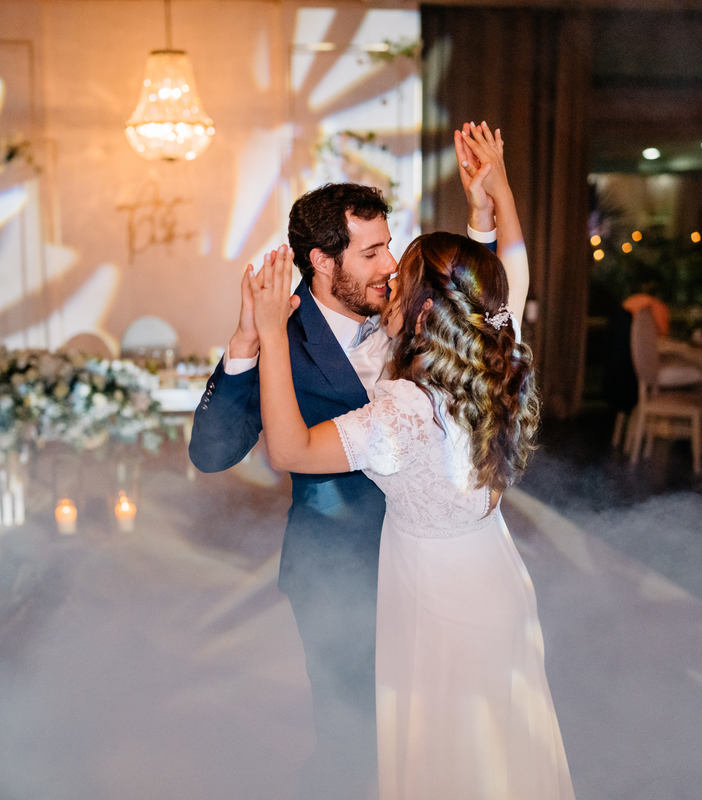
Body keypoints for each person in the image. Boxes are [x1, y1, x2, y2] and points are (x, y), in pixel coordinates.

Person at [248, 126, 573, 799]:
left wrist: (271, 333)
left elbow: (288, 450)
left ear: (423, 314)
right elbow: (510, 276)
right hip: (490, 572)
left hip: (432, 595)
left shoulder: (403, 409)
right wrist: (495, 197)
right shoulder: (492, 359)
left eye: (401, 279)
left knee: (442, 749)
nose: (389, 277)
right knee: (494, 743)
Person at [189, 122, 504, 799]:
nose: (390, 263)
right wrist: (245, 343)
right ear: (322, 263)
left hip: (427, 563)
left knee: (430, 724)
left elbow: (472, 300)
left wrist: (483, 215)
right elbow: (211, 454)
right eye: (371, 251)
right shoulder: (280, 332)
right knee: (353, 730)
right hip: (338, 569)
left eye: (388, 244)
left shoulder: (408, 311)